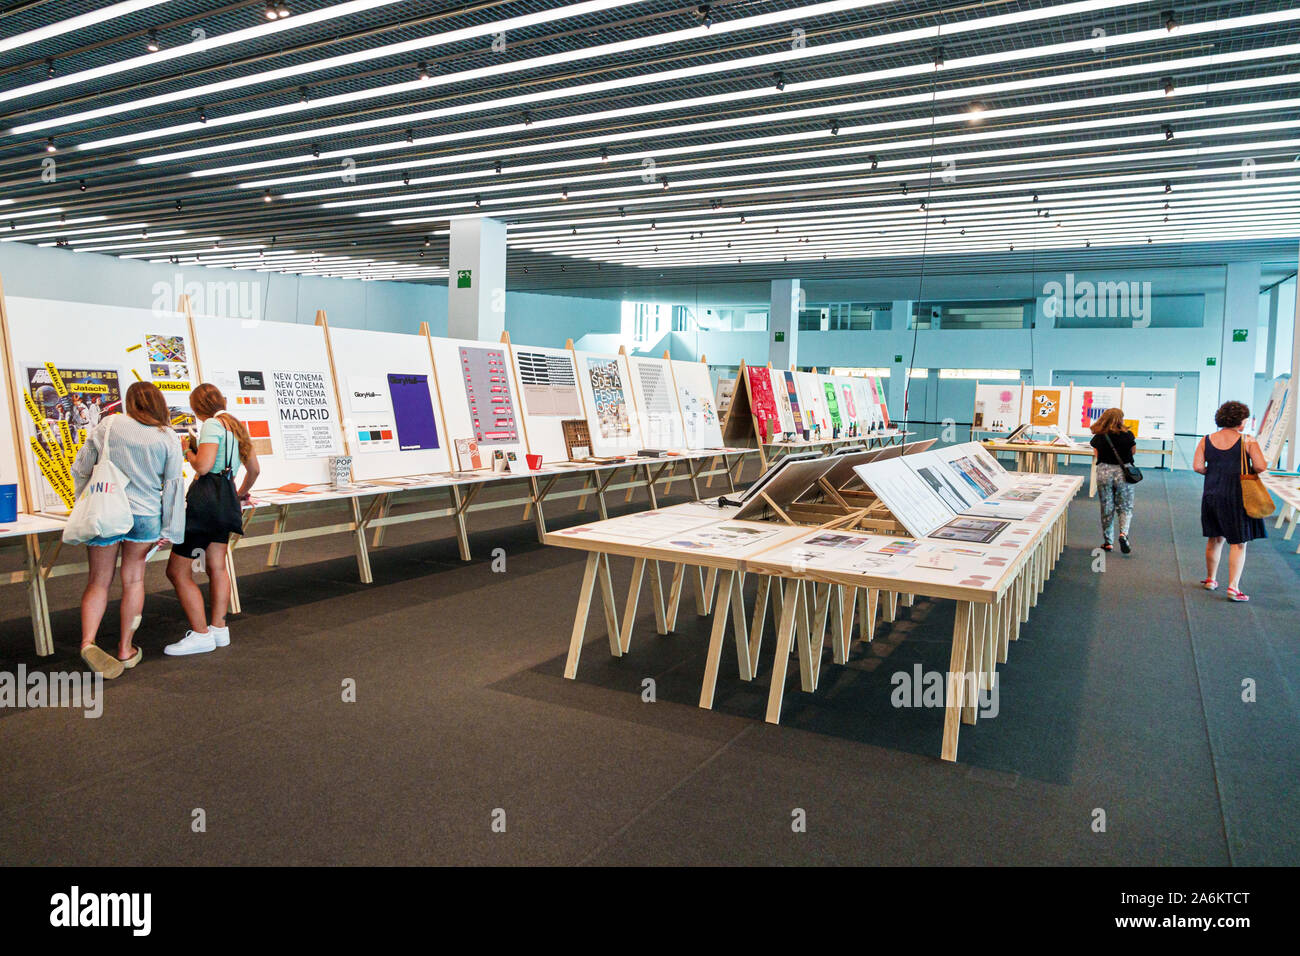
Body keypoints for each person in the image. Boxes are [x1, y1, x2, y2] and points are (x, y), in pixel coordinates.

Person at [71, 382, 185, 678]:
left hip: (107, 510)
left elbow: (82, 466)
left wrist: (82, 500)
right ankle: (125, 648)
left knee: (98, 580)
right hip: (146, 515)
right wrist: (171, 529)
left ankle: (88, 642)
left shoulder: (109, 424)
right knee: (133, 580)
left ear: (130, 401)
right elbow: (173, 486)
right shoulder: (168, 437)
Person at [164, 383, 260, 656]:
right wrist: (239, 494)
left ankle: (200, 634)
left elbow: (203, 466)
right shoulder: (237, 426)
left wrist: (188, 451)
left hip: (204, 502)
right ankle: (219, 628)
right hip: (226, 500)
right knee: (217, 565)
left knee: (176, 570)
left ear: (197, 408)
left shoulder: (211, 426)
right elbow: (254, 469)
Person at [1194, 400, 1268, 601]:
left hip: (1211, 493)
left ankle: (1211, 579)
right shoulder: (1247, 441)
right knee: (1238, 542)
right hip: (1237, 496)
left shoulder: (1206, 439)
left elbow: (1198, 467)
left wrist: (1215, 472)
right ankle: (1233, 587)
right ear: (1241, 421)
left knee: (1215, 538)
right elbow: (1261, 466)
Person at [1089, 407, 1138, 554]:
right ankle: (1123, 534)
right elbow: (1133, 451)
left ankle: (1108, 542)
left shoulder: (1099, 436)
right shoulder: (1128, 435)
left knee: (1107, 506)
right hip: (1124, 473)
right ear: (1120, 419)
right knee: (1125, 506)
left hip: (1104, 472)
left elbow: (1097, 454)